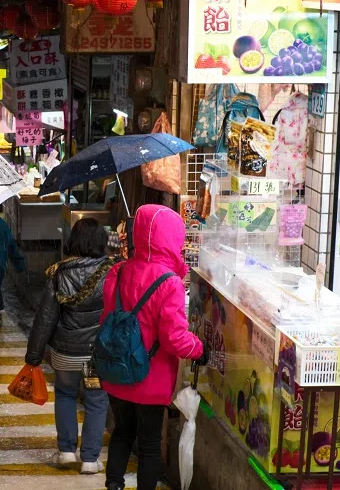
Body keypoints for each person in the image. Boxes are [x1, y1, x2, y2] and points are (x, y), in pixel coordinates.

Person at [101, 205, 208, 490]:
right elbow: (174, 338)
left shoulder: (118, 271)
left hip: (116, 370)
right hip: (151, 376)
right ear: (172, 238)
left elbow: (107, 318)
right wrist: (199, 349)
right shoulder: (169, 283)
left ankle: (113, 485)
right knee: (149, 444)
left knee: (122, 432)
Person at [24, 218, 116, 474]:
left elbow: (45, 318)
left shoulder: (58, 273)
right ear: (101, 242)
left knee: (65, 394)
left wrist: (33, 355)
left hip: (65, 352)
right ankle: (89, 459)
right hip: (98, 353)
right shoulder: (111, 272)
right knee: (97, 401)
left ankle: (66, 451)